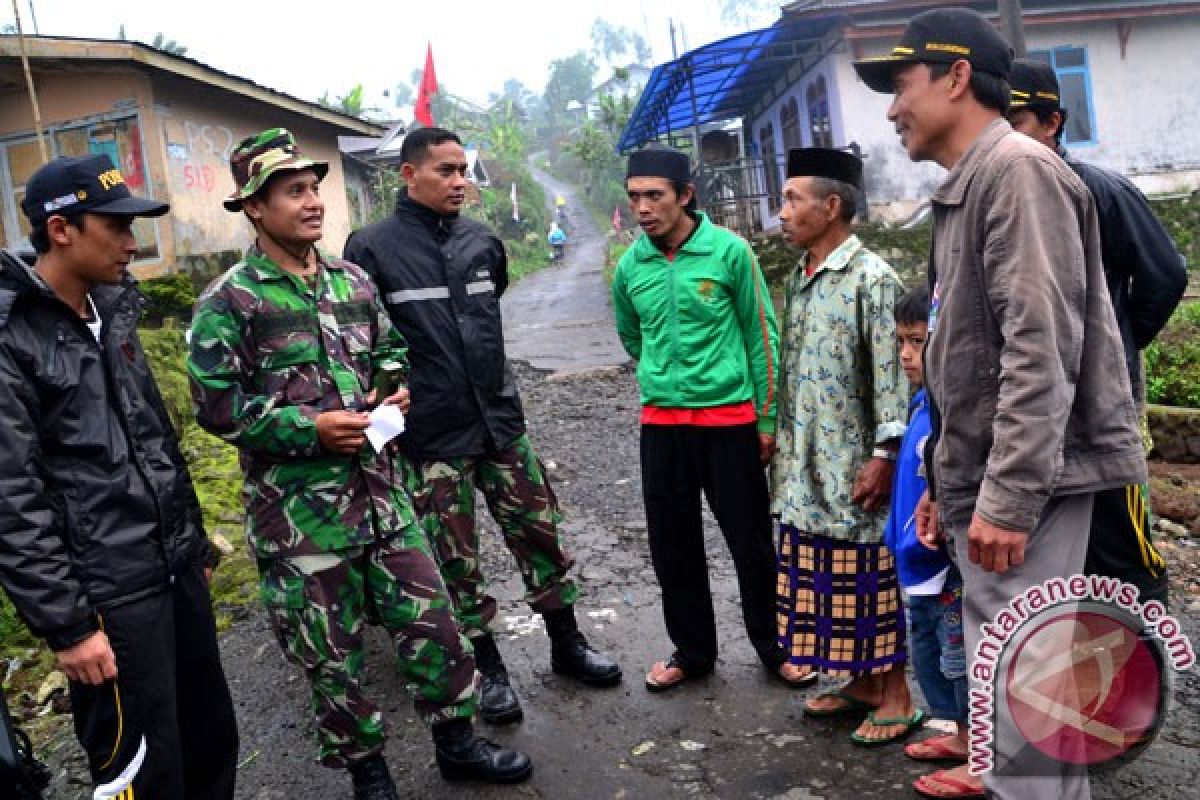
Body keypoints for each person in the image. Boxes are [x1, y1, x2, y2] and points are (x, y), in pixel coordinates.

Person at [854, 9, 1148, 799]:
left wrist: (1009, 499)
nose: (890, 109)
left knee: (1030, 701)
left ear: (955, 78)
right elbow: (965, 362)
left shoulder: (1016, 172)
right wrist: (944, 481)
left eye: (902, 85)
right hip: (988, 481)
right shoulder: (973, 185)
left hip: (1030, 490)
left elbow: (1039, 350)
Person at [188, 128, 532, 797]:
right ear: (255, 207)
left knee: (434, 625)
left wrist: (392, 387)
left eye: (314, 187)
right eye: (293, 191)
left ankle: (457, 745)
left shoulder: (352, 281)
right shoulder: (229, 302)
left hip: (384, 498)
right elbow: (217, 407)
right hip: (302, 525)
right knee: (332, 660)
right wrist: (306, 428)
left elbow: (390, 351)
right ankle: (369, 775)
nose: (312, 201)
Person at [343, 127, 621, 727]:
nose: (459, 181)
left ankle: (567, 643)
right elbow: (365, 342)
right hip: (433, 436)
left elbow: (488, 305)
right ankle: (487, 670)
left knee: (539, 533)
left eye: (462, 170)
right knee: (454, 559)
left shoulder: (481, 241)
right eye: (445, 171)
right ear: (408, 174)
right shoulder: (371, 249)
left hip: (499, 420)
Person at [0, 154, 239, 799]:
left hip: (171, 569)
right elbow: (9, 495)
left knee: (210, 736)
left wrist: (189, 542)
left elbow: (154, 436)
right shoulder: (13, 336)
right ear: (61, 230)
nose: (133, 243)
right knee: (142, 765)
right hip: (107, 594)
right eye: (116, 227)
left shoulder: (113, 312)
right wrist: (68, 626)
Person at [1006, 58, 1187, 605]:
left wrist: (1120, 341)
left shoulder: (1097, 190)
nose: (1006, 136)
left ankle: (1146, 652)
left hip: (1100, 398)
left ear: (1052, 122)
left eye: (1016, 121)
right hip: (1039, 399)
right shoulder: (1006, 196)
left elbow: (1165, 274)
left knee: (1119, 531)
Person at [611, 146, 790, 691]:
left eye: (654, 196)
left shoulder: (730, 253)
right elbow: (632, 337)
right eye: (635, 196)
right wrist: (665, 377)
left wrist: (766, 419)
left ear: (685, 195)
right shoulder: (629, 267)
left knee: (751, 542)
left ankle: (774, 647)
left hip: (730, 423)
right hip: (662, 427)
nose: (643, 208)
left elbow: (762, 338)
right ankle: (692, 652)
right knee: (673, 545)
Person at [771, 147, 921, 746]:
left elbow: (894, 375)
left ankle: (896, 694)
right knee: (822, 579)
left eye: (792, 200)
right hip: (808, 469)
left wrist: (885, 456)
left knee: (869, 577)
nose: (781, 211)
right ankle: (859, 683)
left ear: (831, 207)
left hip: (858, 469)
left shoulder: (872, 281)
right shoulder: (801, 277)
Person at [883, 287, 970, 780]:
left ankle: (975, 739)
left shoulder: (951, 417)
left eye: (917, 341)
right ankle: (956, 730)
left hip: (941, 566)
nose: (906, 354)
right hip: (913, 563)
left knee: (956, 655)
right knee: (928, 653)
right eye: (902, 341)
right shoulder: (921, 406)